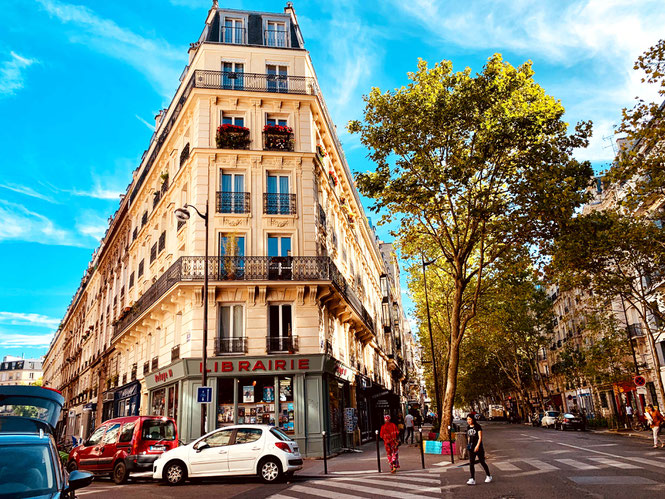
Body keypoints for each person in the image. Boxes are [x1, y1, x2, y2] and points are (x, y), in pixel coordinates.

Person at [466, 413, 492, 485]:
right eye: (467, 419)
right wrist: (468, 445)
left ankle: (488, 476)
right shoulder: (468, 427)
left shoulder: (478, 427)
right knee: (471, 463)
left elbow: (480, 438)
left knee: (482, 462)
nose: (468, 421)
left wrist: (477, 446)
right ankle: (472, 478)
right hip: (471, 448)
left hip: (478, 447)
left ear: (473, 419)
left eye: (470, 419)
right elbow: (468, 437)